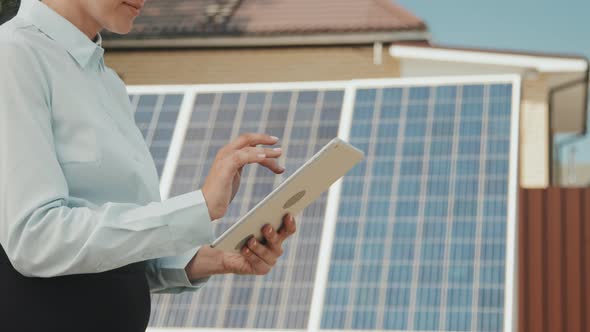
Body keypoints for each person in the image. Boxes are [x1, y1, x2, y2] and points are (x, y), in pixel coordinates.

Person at [0, 0, 297, 331]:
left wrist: (211, 259)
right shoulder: (12, 55)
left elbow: (115, 250)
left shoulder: (106, 82)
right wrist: (197, 208)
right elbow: (35, 238)